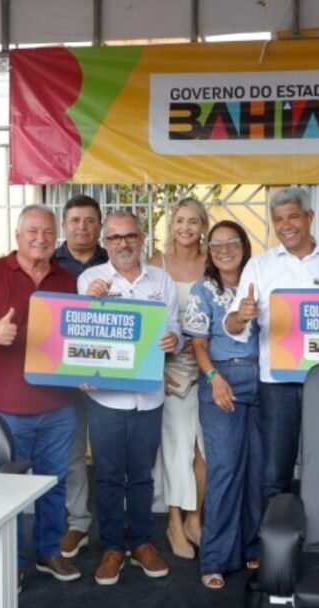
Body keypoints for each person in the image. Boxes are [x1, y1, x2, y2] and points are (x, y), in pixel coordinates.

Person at [0, 205, 81, 583]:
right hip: (8, 407)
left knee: (54, 483)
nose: (40, 238)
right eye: (32, 231)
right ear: (18, 235)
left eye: (47, 232)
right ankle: (11, 563)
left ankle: (49, 551)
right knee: (9, 490)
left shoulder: (66, 279)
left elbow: (77, 335)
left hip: (59, 406)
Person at [224, 187, 319, 502]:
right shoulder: (260, 265)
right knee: (274, 473)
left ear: (310, 217)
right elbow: (231, 325)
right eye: (278, 219)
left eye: (293, 217)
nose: (286, 225)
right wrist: (241, 316)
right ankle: (275, 534)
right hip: (277, 384)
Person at [79, 210, 181, 586]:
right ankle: (112, 548)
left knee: (141, 476)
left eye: (130, 236)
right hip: (106, 398)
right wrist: (90, 302)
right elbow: (78, 331)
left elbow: (174, 328)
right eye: (115, 238)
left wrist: (174, 340)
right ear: (105, 243)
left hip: (149, 396)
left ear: (141, 239)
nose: (123, 244)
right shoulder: (90, 279)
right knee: (107, 476)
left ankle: (141, 543)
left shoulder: (162, 280)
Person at [184, 220, 263, 589]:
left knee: (258, 469)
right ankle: (215, 558)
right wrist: (215, 379)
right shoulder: (203, 290)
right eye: (216, 244)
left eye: (232, 242)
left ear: (245, 246)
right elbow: (198, 345)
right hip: (222, 378)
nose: (224, 250)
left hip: (264, 379)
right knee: (226, 468)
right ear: (209, 251)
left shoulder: (261, 282)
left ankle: (252, 546)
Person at [149, 198, 208, 559]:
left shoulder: (212, 263)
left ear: (203, 227)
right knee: (176, 448)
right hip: (168, 370)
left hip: (206, 366)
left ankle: (194, 518)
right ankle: (174, 522)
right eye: (180, 221)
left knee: (205, 450)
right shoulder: (155, 265)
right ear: (171, 225)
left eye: (193, 221)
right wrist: (154, 371)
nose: (186, 228)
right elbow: (145, 322)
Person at [52, 194, 109, 558]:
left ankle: (115, 528)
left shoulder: (114, 260)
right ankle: (78, 524)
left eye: (90, 220)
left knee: (109, 456)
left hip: (110, 376)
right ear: (64, 225)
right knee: (72, 455)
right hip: (66, 377)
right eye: (75, 220)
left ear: (100, 226)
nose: (82, 227)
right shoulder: (50, 263)